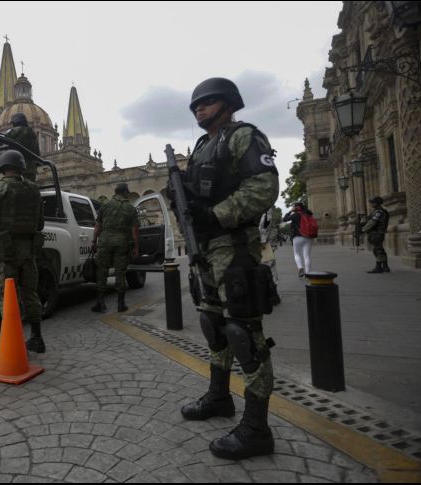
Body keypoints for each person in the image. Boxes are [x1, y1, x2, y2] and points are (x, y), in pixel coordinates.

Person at [170, 77, 279, 460]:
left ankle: (257, 429)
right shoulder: (203, 146)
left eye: (207, 102)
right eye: (195, 106)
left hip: (234, 247)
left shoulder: (243, 136)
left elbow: (263, 188)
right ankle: (219, 397)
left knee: (243, 333)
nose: (199, 109)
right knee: (213, 325)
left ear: (228, 103)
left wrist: (215, 214)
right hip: (206, 249)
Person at [0, 150, 46, 353]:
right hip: (28, 251)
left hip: (5, 252)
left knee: (7, 297)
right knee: (30, 293)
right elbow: (40, 223)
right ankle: (37, 338)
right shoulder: (34, 190)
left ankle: (13, 347)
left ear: (2, 167)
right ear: (22, 167)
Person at [90, 183, 139, 313]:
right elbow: (134, 230)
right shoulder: (131, 208)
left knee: (102, 272)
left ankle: (100, 303)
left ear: (115, 192)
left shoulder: (105, 205)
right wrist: (136, 247)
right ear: (125, 192)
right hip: (122, 242)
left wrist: (94, 241)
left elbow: (97, 226)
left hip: (105, 241)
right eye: (127, 192)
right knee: (120, 272)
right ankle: (121, 304)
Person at [283, 202, 314, 278]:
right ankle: (308, 273)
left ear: (296, 208)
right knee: (307, 255)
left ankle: (301, 268)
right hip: (308, 236)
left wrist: (290, 211)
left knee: (297, 254)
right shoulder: (308, 214)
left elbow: (284, 219)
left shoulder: (295, 215)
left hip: (297, 237)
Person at [362, 196, 390, 273]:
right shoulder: (378, 211)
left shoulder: (378, 212)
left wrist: (364, 229)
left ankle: (378, 267)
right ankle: (385, 266)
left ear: (376, 203)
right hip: (378, 233)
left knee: (377, 250)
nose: (371, 204)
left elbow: (373, 222)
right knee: (379, 249)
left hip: (377, 233)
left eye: (372, 202)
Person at [259, 207, 281, 305]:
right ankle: (272, 294)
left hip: (265, 244)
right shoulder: (267, 211)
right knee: (270, 268)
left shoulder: (265, 212)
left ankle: (271, 295)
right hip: (267, 244)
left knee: (268, 268)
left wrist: (262, 241)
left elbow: (264, 227)